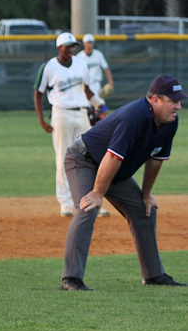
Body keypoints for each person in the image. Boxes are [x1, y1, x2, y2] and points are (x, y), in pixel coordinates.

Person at [60, 75, 187, 291]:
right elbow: (112, 157)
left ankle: (153, 275)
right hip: (84, 160)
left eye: (179, 101)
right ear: (155, 99)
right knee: (88, 207)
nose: (179, 106)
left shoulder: (169, 122)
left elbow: (156, 160)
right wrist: (98, 193)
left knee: (144, 210)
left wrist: (146, 194)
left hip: (114, 171)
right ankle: (71, 279)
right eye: (173, 101)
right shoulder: (135, 116)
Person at [34, 32, 108, 217]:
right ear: (59, 48)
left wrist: (102, 106)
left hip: (82, 113)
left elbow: (88, 91)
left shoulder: (80, 64)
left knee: (90, 156)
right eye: (67, 46)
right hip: (61, 115)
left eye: (73, 46)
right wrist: (42, 120)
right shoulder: (49, 67)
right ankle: (65, 203)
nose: (71, 49)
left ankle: (92, 201)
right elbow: (38, 93)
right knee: (63, 158)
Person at [77, 33, 113, 100]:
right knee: (85, 107)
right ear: (84, 43)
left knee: (100, 107)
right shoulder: (79, 56)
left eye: (90, 42)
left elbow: (106, 68)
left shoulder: (98, 54)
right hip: (84, 85)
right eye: (87, 42)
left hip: (96, 84)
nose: (89, 45)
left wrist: (110, 83)